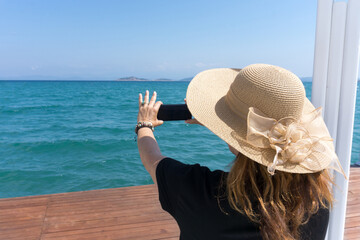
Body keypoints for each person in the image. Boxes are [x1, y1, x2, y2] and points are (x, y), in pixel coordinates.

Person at [135, 64, 346, 240]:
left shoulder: (202, 192)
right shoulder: (315, 200)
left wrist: (144, 124)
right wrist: (222, 125)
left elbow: (152, 159)